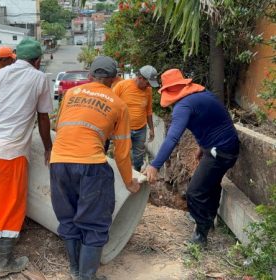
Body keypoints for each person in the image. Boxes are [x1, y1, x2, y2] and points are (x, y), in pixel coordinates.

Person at [50, 56, 140, 280]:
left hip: (58, 162)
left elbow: (58, 125)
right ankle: (86, 276)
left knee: (68, 218)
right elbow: (121, 151)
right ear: (114, 79)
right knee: (94, 223)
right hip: (90, 166)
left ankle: (75, 271)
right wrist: (129, 182)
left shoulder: (71, 94)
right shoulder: (118, 104)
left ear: (89, 76)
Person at [0, 38, 53, 278]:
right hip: (9, 153)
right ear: (38, 60)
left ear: (17, 57)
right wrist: (49, 148)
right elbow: (43, 118)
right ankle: (4, 262)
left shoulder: (0, 74)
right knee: (11, 205)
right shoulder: (40, 78)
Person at [144, 69, 239, 247]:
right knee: (211, 184)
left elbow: (172, 138)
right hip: (226, 146)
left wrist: (155, 165)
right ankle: (208, 219)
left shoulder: (183, 106)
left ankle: (201, 234)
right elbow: (209, 123)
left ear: (168, 91)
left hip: (220, 151)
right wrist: (202, 148)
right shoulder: (202, 95)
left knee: (195, 192)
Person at [112, 65, 159, 171]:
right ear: (140, 77)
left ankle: (136, 172)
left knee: (139, 155)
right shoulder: (122, 86)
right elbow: (111, 105)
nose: (148, 86)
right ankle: (121, 175)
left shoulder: (148, 91)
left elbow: (149, 111)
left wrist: (151, 129)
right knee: (122, 153)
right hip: (123, 128)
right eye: (147, 83)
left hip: (141, 129)